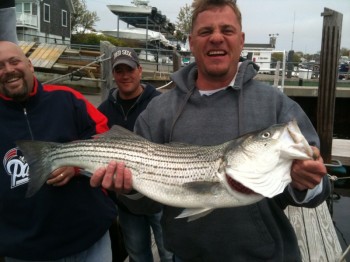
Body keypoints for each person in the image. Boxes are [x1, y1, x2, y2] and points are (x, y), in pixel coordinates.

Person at [90, 0, 330, 261]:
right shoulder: (158, 111)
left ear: (241, 39)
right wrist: (128, 191)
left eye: (227, 30)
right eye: (206, 32)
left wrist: (307, 184)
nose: (216, 38)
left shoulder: (277, 105)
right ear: (192, 42)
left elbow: (319, 191)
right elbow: (148, 204)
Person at [0, 41, 117, 261]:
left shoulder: (68, 98)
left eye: (14, 61)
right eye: (0, 66)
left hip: (88, 240)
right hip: (24, 249)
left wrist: (75, 166)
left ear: (30, 65)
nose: (8, 70)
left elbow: (106, 138)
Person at [98, 47, 173, 262]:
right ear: (113, 74)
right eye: (119, 70)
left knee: (168, 252)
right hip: (126, 197)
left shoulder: (159, 103)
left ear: (140, 70)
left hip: (160, 193)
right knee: (137, 253)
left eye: (129, 69)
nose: (125, 75)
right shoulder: (104, 110)